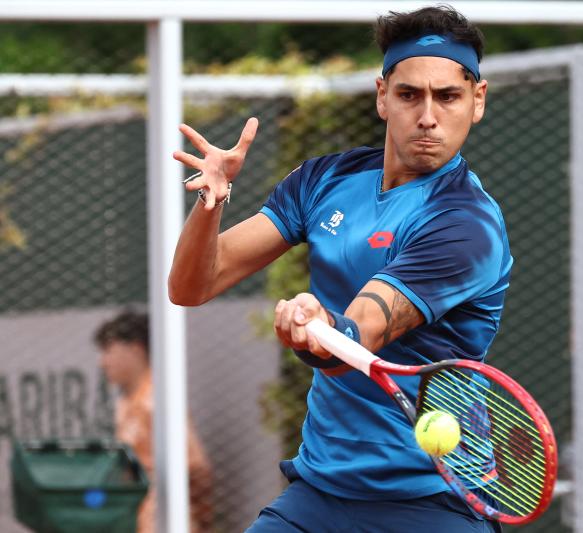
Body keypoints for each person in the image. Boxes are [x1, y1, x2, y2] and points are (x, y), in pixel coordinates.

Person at [170, 5, 510, 532]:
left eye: (447, 97)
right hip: (321, 491)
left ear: (477, 100)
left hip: (432, 500)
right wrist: (211, 203)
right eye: (409, 95)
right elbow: (192, 286)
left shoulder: (466, 224)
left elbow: (360, 333)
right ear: (382, 96)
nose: (428, 116)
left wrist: (321, 328)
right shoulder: (325, 180)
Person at [95, 310, 214, 533]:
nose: (102, 362)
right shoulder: (127, 402)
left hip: (164, 519)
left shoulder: (158, 400)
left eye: (108, 350)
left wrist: (196, 520)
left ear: (135, 349)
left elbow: (196, 466)